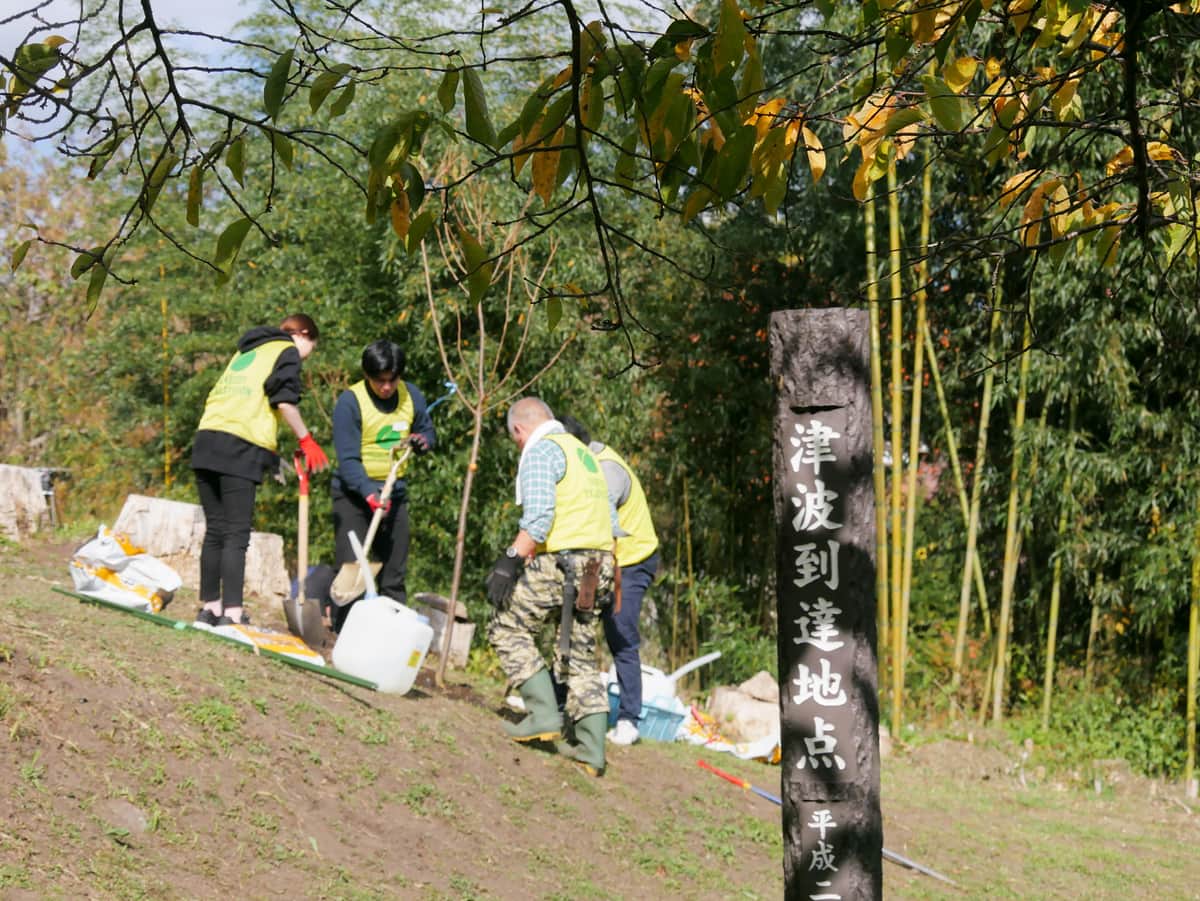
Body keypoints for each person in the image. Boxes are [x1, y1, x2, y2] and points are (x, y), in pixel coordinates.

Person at [485, 397, 618, 777]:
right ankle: (591, 752)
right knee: (579, 651)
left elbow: (540, 515)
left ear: (519, 430)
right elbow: (609, 519)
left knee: (507, 626)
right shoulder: (583, 454)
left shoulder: (543, 451)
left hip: (565, 562)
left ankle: (543, 715)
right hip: (598, 563)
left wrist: (509, 561)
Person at [191, 313, 329, 628]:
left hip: (206, 440)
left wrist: (269, 458)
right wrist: (306, 439)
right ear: (305, 335)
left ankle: (209, 610)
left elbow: (245, 405)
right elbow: (283, 401)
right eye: (312, 348)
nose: (307, 357)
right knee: (236, 534)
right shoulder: (287, 351)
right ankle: (233, 615)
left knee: (215, 530)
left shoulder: (249, 351)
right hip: (237, 448)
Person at [560, 416, 660, 746]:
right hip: (601, 557)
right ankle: (557, 700)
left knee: (620, 631)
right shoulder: (582, 467)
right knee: (572, 625)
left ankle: (629, 719)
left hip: (631, 560)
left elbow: (600, 524)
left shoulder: (605, 471)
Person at [328, 339, 435, 630]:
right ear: (367, 376)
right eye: (380, 381)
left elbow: (426, 429)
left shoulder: (411, 396)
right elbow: (348, 459)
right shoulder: (350, 403)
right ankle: (343, 631)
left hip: (395, 491)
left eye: (392, 380)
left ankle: (390, 633)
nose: (387, 387)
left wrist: (423, 441)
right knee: (354, 567)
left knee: (394, 569)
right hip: (354, 494)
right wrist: (368, 492)